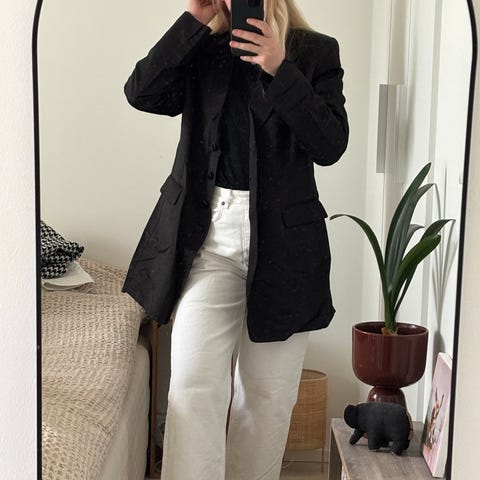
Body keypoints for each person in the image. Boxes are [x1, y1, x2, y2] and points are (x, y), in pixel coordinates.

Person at [122, 0, 348, 478]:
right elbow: (141, 91)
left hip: (286, 246)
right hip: (208, 238)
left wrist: (280, 69)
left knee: (266, 398)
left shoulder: (314, 52)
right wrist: (194, 19)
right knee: (192, 386)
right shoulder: (201, 48)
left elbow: (330, 145)